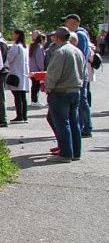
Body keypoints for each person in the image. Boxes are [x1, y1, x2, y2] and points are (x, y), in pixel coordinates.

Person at [44, 27, 85, 163]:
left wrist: (48, 88)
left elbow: (53, 73)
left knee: (62, 123)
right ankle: (75, 152)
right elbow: (83, 71)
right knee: (74, 123)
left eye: (53, 36)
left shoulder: (60, 52)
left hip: (61, 92)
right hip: (75, 90)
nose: (52, 38)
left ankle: (65, 154)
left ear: (58, 37)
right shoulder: (76, 50)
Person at [63, 14, 92, 138]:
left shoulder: (79, 35)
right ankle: (82, 127)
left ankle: (85, 127)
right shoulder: (81, 34)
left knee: (81, 100)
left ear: (75, 23)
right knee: (81, 100)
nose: (66, 24)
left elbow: (78, 56)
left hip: (79, 72)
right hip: (80, 71)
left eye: (67, 22)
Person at [5, 29, 31, 123]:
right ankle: (24, 116)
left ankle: (19, 116)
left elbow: (9, 59)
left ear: (18, 35)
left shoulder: (15, 46)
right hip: (23, 73)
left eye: (13, 34)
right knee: (22, 96)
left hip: (15, 73)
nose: (12, 35)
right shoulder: (24, 47)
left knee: (17, 96)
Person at [28, 33, 46, 108]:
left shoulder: (32, 46)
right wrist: (42, 69)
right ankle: (35, 101)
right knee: (36, 85)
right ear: (42, 40)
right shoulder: (39, 47)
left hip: (32, 69)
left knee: (34, 85)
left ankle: (34, 100)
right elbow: (40, 60)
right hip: (37, 70)